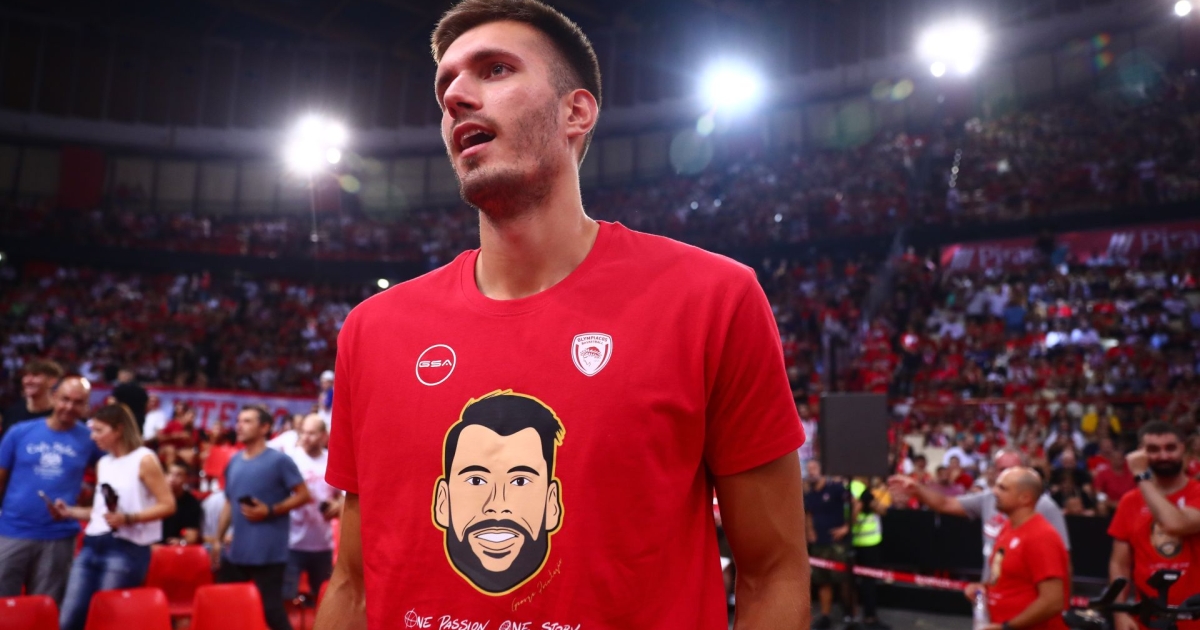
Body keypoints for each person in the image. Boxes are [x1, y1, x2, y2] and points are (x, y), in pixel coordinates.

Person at [317, 1, 809, 628]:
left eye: (495, 70)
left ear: (576, 112)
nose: (456, 97)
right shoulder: (372, 330)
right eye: (446, 86)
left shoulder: (713, 299)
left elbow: (773, 572)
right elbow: (353, 586)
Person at [55, 403, 176, 630]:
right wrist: (70, 512)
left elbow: (168, 504)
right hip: (92, 544)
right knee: (69, 619)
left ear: (119, 430)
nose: (93, 436)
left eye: (99, 430)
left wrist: (129, 518)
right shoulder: (104, 463)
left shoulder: (144, 459)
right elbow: (101, 512)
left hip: (126, 548)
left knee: (108, 620)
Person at [890, 448, 1070, 581]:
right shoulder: (989, 498)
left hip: (1024, 601)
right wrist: (917, 489)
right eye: (1001, 469)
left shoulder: (1045, 506)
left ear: (1024, 471)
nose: (1006, 474)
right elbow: (945, 503)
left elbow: (1064, 560)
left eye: (1011, 469)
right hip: (993, 595)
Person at [0, 376, 100, 603]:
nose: (69, 407)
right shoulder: (19, 432)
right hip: (12, 531)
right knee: (2, 607)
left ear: (86, 406)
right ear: (54, 397)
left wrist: (86, 503)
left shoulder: (90, 439)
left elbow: (114, 472)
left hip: (59, 537)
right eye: (65, 399)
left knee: (45, 608)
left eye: (78, 402)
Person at [214, 406, 310, 630]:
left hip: (269, 553)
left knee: (272, 612)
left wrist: (270, 510)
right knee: (227, 609)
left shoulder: (279, 461)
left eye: (247, 421)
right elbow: (229, 503)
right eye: (239, 421)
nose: (239, 426)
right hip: (237, 552)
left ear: (265, 427)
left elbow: (304, 495)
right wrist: (217, 539)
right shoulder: (234, 461)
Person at [1107, 421, 1200, 630]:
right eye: (1153, 450)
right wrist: (1120, 613)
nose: (1163, 456)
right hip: (1148, 620)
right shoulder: (1129, 501)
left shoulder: (1197, 492)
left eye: (1170, 448)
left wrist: (1141, 476)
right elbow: (1120, 564)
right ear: (1140, 453)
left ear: (1183, 449)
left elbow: (1175, 524)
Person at [964, 468, 1070, 630]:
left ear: (1025, 498)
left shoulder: (1041, 536)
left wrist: (1007, 627)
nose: (994, 492)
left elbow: (1053, 601)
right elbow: (1005, 578)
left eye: (1003, 488)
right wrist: (982, 588)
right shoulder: (1008, 527)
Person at [283, 415, 341, 603]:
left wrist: (337, 505)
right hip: (292, 543)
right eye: (304, 433)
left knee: (323, 601)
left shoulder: (332, 460)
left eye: (312, 433)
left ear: (324, 436)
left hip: (322, 544)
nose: (306, 438)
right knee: (287, 600)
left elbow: (342, 495)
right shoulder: (291, 459)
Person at [805, 460, 852, 629]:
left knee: (844, 581)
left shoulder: (836, 488)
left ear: (822, 470)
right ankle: (825, 616)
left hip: (837, 543)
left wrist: (847, 527)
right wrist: (810, 530)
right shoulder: (810, 494)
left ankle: (850, 616)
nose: (811, 472)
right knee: (823, 581)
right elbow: (808, 513)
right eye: (809, 469)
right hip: (820, 543)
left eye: (814, 468)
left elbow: (855, 504)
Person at [850, 477, 889, 629]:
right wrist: (862, 503)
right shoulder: (856, 487)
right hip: (861, 542)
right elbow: (852, 516)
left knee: (863, 582)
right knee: (860, 582)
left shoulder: (864, 490)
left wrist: (870, 502)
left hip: (869, 541)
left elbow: (882, 510)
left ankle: (858, 617)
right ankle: (866, 617)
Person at [0, 359, 63, 440]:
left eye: (35, 375)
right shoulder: (12, 414)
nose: (28, 381)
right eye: (26, 376)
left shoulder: (62, 413)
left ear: (52, 381)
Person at [160, 461, 203, 545]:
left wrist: (181, 542)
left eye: (178, 475)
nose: (172, 478)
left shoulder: (191, 504)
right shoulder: (153, 499)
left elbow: (192, 536)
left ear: (186, 478)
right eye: (169, 474)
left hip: (174, 547)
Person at [111, 368, 149, 436]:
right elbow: (146, 404)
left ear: (126, 376)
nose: (118, 378)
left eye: (119, 375)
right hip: (139, 419)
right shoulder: (141, 389)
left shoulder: (119, 389)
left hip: (124, 419)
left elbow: (112, 403)